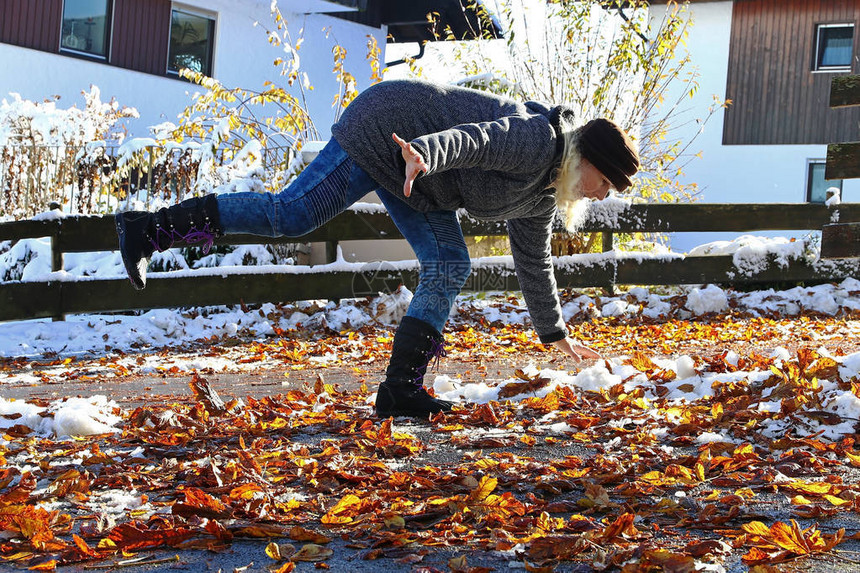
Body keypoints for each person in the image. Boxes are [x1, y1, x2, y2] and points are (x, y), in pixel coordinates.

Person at [115, 79, 639, 418]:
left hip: (422, 181)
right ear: (587, 158)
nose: (601, 195)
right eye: (605, 183)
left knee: (450, 263)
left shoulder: (544, 194)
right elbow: (476, 137)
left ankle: (399, 392)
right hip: (387, 132)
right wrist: (426, 154)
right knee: (292, 215)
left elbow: (533, 261)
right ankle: (148, 229)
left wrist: (555, 335)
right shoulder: (536, 140)